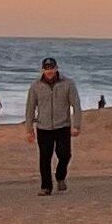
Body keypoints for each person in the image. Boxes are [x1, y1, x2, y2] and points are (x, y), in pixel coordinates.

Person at [27, 55, 80, 195]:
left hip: (63, 125)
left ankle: (60, 176)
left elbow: (76, 105)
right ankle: (46, 187)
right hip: (43, 127)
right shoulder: (36, 86)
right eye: (46, 68)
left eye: (51, 68)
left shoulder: (68, 84)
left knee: (65, 155)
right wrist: (29, 129)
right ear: (42, 70)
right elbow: (30, 108)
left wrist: (77, 125)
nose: (49, 71)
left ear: (56, 68)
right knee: (45, 158)